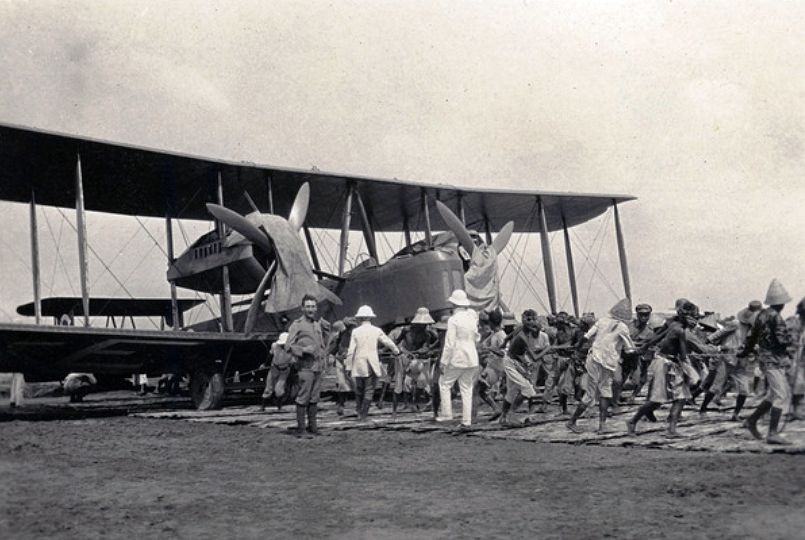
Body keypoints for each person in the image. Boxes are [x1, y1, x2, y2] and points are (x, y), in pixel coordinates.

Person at [627, 301, 701, 438]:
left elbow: (656, 338)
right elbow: (683, 354)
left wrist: (644, 347)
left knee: (681, 397)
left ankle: (671, 429)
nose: (695, 321)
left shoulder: (673, 325)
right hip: (666, 364)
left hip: (671, 362)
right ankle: (632, 421)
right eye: (694, 318)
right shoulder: (679, 331)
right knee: (657, 399)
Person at [567, 298, 636, 435]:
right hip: (608, 362)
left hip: (594, 358)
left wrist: (576, 349)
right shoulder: (623, 327)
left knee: (592, 393)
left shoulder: (602, 321)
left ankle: (578, 422)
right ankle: (597, 425)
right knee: (605, 391)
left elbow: (586, 337)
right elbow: (630, 349)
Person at [740, 279, 794, 445]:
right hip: (773, 360)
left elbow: (752, 337)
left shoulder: (761, 315)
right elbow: (782, 340)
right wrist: (792, 344)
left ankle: (752, 421)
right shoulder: (776, 317)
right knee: (781, 396)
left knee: (773, 394)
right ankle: (772, 433)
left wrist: (746, 352)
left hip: (765, 359)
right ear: (781, 303)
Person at [703, 302, 760, 420]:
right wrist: (706, 342)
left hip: (741, 361)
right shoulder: (736, 324)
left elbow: (754, 344)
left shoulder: (755, 330)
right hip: (726, 359)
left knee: (744, 389)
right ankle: (703, 408)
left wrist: (754, 349)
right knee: (717, 386)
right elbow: (720, 333)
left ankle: (736, 414)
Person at [347, 305, 401, 422]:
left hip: (359, 363)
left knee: (359, 389)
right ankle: (363, 415)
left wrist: (348, 366)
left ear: (360, 318)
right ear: (371, 318)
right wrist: (397, 351)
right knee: (369, 389)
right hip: (372, 362)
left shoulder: (355, 331)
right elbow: (388, 342)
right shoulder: (376, 330)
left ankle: (359, 411)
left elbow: (351, 350)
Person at [285, 294, 329, 438]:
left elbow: (322, 345)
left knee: (314, 397)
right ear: (302, 308)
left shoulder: (317, 325)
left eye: (313, 306)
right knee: (303, 396)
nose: (311, 309)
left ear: (316, 308)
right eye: (308, 306)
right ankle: (301, 429)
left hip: (317, 367)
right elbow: (288, 346)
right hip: (305, 367)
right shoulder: (297, 325)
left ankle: (313, 427)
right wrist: (303, 350)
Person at [437, 290, 480, 429]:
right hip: (472, 357)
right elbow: (477, 338)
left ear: (454, 304)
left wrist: (443, 361)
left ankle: (446, 414)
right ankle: (466, 421)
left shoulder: (453, 320)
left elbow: (449, 343)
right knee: (467, 389)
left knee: (444, 383)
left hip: (458, 357)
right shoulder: (472, 318)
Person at [498, 309, 549, 426]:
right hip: (512, 363)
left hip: (515, 361)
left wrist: (504, 344)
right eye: (529, 320)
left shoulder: (521, 329)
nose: (532, 323)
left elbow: (508, 337)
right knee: (528, 390)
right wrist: (547, 349)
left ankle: (503, 417)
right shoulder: (523, 337)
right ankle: (510, 415)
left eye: (534, 320)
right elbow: (535, 357)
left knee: (512, 392)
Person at [392, 307, 439, 415]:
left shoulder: (427, 334)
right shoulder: (406, 330)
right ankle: (396, 410)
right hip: (404, 357)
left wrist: (420, 352)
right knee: (399, 383)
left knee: (420, 382)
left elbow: (426, 347)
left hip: (418, 359)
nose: (424, 326)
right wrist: (395, 351)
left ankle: (415, 404)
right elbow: (396, 342)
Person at [328, 318, 358, 416]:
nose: (349, 328)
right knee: (341, 383)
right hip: (340, 360)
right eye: (348, 326)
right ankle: (341, 404)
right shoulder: (341, 334)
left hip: (353, 361)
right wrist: (332, 354)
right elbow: (337, 346)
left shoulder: (357, 335)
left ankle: (359, 406)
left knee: (355, 384)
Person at [626, 304, 656, 402]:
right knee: (624, 379)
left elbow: (652, 344)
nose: (644, 317)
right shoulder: (629, 327)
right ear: (637, 315)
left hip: (643, 356)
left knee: (643, 379)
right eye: (641, 314)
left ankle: (633, 396)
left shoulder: (650, 330)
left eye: (646, 315)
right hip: (627, 356)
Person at [260, 332, 291, 411]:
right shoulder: (274, 346)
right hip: (274, 368)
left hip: (284, 370)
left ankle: (279, 407)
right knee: (268, 388)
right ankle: (262, 407)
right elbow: (270, 356)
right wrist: (264, 364)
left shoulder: (292, 349)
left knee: (279, 389)